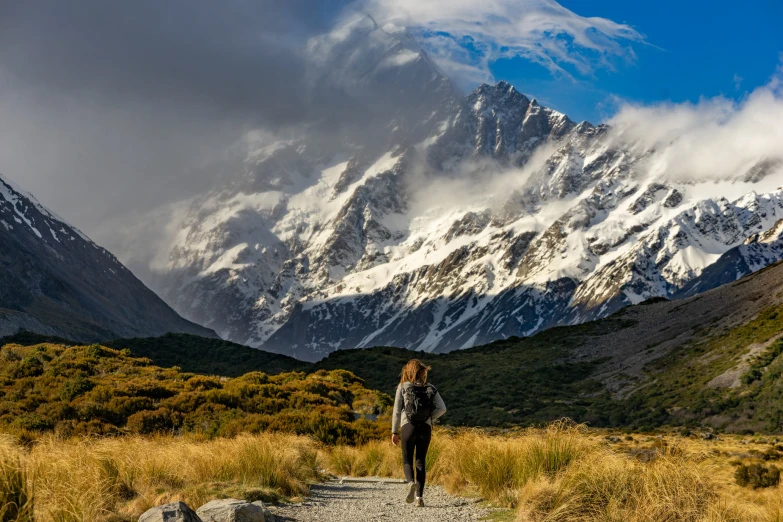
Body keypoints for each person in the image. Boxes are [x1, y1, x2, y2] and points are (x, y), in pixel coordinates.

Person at [391, 359, 447, 507]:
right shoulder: (430, 387)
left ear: (407, 371)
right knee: (421, 461)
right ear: (422, 372)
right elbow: (442, 408)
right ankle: (419, 498)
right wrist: (428, 417)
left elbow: (396, 411)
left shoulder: (402, 386)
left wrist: (394, 431)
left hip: (408, 426)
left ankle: (410, 483)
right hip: (425, 428)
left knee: (407, 460)